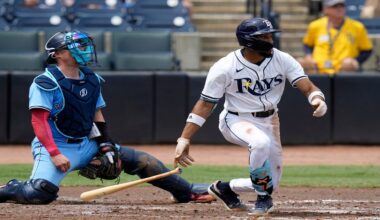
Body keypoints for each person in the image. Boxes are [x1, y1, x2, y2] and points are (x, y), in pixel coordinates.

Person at [0, 31, 215, 204]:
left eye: (83, 45)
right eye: (74, 47)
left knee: (143, 161)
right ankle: (11, 188)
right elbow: (39, 121)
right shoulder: (45, 82)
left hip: (86, 142)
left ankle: (185, 192)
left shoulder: (91, 79)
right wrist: (55, 154)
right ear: (56, 54)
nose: (82, 50)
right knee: (39, 193)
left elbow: (96, 114)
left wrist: (105, 145)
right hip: (56, 146)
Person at [173, 18, 328, 216]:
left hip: (271, 120)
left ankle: (224, 189)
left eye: (270, 35)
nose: (270, 40)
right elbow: (206, 103)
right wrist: (184, 137)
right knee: (260, 144)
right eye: (263, 36)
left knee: (272, 181)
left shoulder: (282, 59)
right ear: (248, 41)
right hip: (236, 119)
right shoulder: (225, 67)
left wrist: (316, 98)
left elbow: (306, 85)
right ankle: (263, 199)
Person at [297, 0, 373, 74]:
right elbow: (307, 44)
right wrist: (309, 56)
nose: (339, 9)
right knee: (301, 62)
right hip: (318, 67)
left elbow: (367, 50)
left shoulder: (357, 27)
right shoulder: (315, 25)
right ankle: (312, 86)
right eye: (335, 6)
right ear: (325, 9)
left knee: (348, 63)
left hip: (344, 68)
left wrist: (356, 61)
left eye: (342, 6)